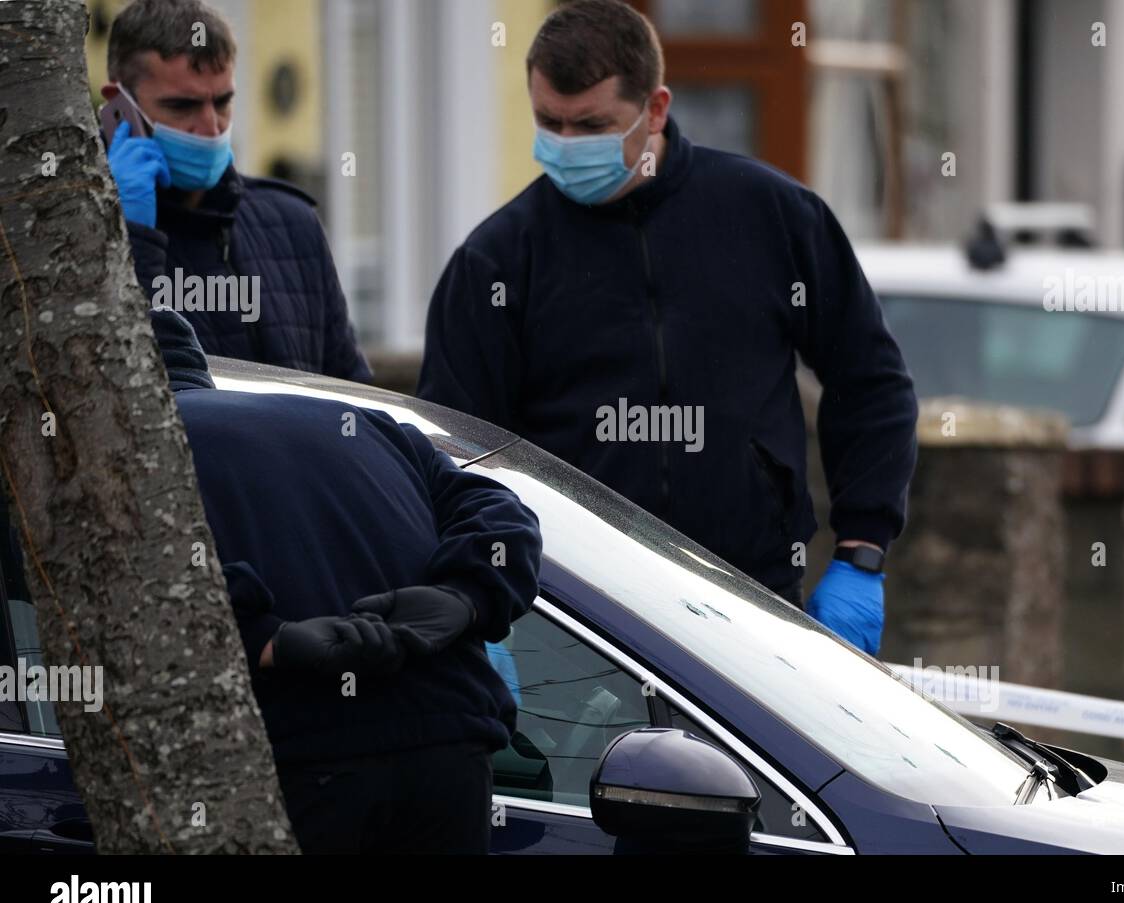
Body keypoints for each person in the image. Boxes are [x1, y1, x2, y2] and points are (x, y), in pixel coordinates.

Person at [417, 0, 916, 655]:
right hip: (571, 620)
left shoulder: (770, 217)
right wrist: (478, 598)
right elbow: (453, 449)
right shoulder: (499, 260)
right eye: (549, 123)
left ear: (655, 109)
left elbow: (871, 380)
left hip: (752, 600)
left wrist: (861, 554)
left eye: (592, 125)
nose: (565, 146)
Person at [152, 308, 541, 853]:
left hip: (299, 758)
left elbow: (149, 592)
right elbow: (503, 512)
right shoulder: (363, 423)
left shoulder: (130, 462)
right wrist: (464, 596)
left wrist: (266, 639)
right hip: (452, 746)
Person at [104, 0, 371, 382]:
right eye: (183, 105)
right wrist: (131, 236)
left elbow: (354, 398)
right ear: (119, 106)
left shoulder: (293, 223)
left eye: (223, 101)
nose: (211, 126)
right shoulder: (82, 235)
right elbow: (120, 383)